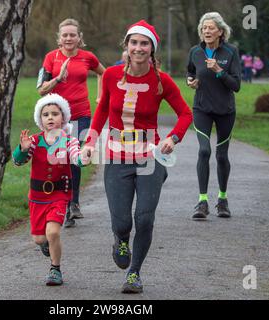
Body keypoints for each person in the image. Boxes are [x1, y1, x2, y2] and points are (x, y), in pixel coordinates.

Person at [82, 20, 193, 294]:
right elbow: (102, 112)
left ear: (152, 49)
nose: (138, 48)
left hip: (150, 157)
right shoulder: (110, 76)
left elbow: (186, 114)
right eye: (134, 43)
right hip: (117, 157)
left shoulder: (161, 81)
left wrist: (173, 137)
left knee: (144, 218)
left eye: (144, 44)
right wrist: (89, 142)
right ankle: (120, 238)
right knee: (122, 222)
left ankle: (135, 273)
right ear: (127, 46)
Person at [12, 94, 89, 286]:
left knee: (53, 232)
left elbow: (76, 157)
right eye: (45, 114)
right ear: (40, 119)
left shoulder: (69, 141)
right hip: (37, 197)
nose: (50, 117)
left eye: (55, 113)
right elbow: (18, 162)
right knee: (39, 239)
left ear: (63, 118)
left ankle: (55, 269)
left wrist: (84, 157)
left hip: (59, 195)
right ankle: (45, 243)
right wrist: (22, 149)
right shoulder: (34, 141)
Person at [37, 18, 105, 228]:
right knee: (61, 159)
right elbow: (41, 89)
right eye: (65, 35)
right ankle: (64, 204)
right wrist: (58, 78)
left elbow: (104, 73)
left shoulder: (88, 57)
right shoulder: (51, 58)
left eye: (72, 35)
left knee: (75, 158)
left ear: (79, 38)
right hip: (58, 118)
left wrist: (100, 96)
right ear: (60, 38)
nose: (68, 38)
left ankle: (73, 204)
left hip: (82, 114)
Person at [186, 12, 241, 221]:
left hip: (225, 110)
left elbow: (236, 85)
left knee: (221, 155)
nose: (206, 31)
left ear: (220, 31)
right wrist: (190, 81)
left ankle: (223, 199)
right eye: (203, 28)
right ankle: (202, 201)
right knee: (203, 151)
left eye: (210, 28)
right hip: (202, 108)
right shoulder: (195, 52)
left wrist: (219, 70)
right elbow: (190, 73)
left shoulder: (230, 52)